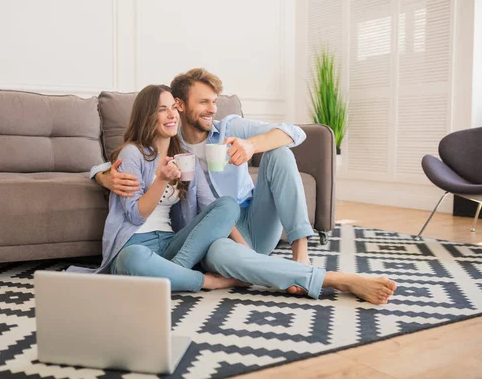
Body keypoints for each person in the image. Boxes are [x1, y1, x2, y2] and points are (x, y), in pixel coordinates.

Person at [90, 69, 397, 304]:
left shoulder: (226, 129)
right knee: (212, 253)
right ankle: (333, 280)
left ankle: (300, 255)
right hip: (208, 240)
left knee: (275, 155)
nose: (212, 109)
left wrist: (251, 146)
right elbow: (120, 162)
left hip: (243, 225)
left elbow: (290, 134)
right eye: (204, 102)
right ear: (181, 106)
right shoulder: (165, 147)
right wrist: (103, 176)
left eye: (215, 101)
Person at [69, 84, 247, 292]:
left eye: (173, 107)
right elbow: (135, 215)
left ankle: (174, 271)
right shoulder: (132, 154)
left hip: (171, 243)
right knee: (131, 259)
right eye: (162, 109)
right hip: (134, 244)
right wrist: (161, 179)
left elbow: (212, 206)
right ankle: (206, 281)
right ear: (147, 116)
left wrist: (245, 250)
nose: (172, 115)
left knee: (227, 205)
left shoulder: (184, 157)